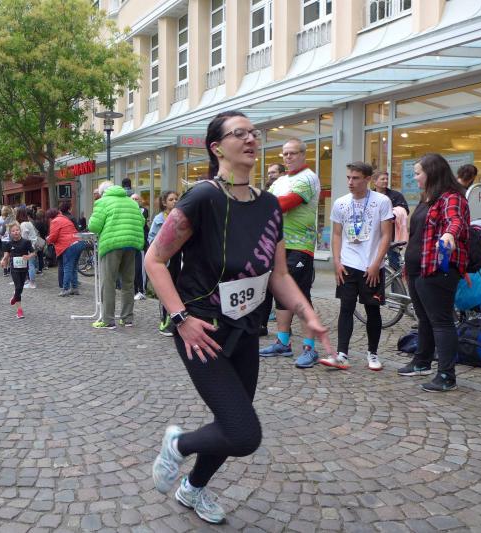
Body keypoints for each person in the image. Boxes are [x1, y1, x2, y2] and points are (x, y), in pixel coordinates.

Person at [145, 111, 331, 525]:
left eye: (253, 133)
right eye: (239, 133)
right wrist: (180, 318)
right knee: (244, 434)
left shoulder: (269, 206)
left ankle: (192, 488)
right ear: (217, 147)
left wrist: (307, 314)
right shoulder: (202, 199)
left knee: (230, 423)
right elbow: (154, 260)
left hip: (245, 327)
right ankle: (178, 444)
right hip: (202, 330)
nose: (251, 139)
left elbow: (278, 275)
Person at [399, 153, 470, 392]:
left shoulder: (451, 198)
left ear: (432, 173)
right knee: (424, 318)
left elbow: (455, 221)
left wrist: (449, 234)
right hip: (417, 267)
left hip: (437, 268)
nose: (415, 177)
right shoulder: (427, 198)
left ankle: (447, 376)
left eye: (418, 173)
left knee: (441, 321)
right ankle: (422, 362)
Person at [319, 162, 393, 371]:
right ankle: (342, 354)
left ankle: (373, 353)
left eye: (356, 178)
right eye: (348, 177)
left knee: (373, 309)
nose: (350, 182)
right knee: (346, 308)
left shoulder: (382, 201)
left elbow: (386, 235)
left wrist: (376, 264)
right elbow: (336, 234)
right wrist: (337, 261)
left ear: (367, 179)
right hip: (348, 264)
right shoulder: (341, 203)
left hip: (371, 265)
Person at [260, 137, 322, 368]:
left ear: (303, 154)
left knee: (299, 295)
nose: (288, 157)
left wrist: (258, 204)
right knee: (281, 293)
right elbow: (267, 201)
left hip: (300, 246)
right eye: (285, 153)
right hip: (279, 245)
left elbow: (284, 203)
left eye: (292, 153)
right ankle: (282, 342)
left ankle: (309, 348)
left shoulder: (308, 177)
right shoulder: (281, 180)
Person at [88, 181, 146, 329]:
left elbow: (94, 226)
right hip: (131, 244)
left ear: (102, 193)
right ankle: (127, 318)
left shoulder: (103, 202)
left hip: (111, 244)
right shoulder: (131, 202)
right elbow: (142, 221)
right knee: (128, 283)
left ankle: (108, 320)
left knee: (109, 282)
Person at [148, 190, 180, 337]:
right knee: (166, 288)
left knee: (177, 288)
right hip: (165, 259)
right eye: (171, 199)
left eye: (176, 199)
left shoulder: (180, 216)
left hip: (178, 258)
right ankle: (165, 321)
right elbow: (151, 238)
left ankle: (177, 319)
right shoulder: (159, 219)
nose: (174, 201)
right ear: (164, 203)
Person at [372, 170, 409, 269]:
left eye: (386, 179)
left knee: (393, 258)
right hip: (373, 232)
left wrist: (394, 216)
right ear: (374, 181)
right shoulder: (369, 196)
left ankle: (395, 278)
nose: (385, 181)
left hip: (391, 233)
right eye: (382, 179)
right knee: (373, 258)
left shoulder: (396, 195)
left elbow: (405, 209)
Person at [46, 208, 86, 296]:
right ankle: (74, 288)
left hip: (69, 245)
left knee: (67, 267)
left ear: (50, 217)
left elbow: (53, 236)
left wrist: (48, 239)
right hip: (78, 242)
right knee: (74, 267)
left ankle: (65, 289)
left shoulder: (55, 221)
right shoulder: (65, 218)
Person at [0, 223, 36, 319]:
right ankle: (19, 311)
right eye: (13, 231)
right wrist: (3, 260)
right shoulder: (9, 244)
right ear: (10, 233)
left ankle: (14, 297)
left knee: (20, 289)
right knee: (18, 286)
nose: (15, 232)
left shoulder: (26, 242)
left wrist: (28, 256)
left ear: (20, 231)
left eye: (17, 230)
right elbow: (6, 255)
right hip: (14, 268)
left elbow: (33, 253)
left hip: (24, 268)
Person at [130, 193, 150, 300]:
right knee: (132, 268)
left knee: (140, 268)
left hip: (140, 243)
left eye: (136, 199)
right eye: (132, 199)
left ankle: (142, 290)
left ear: (140, 201)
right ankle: (134, 290)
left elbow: (141, 221)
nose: (134, 201)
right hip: (131, 243)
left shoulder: (142, 210)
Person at [16, 207, 39, 289]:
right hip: (32, 245)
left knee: (30, 265)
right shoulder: (28, 222)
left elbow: (24, 237)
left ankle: (32, 283)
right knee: (29, 264)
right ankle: (29, 281)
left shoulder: (23, 224)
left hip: (29, 246)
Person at [0, 206, 15, 277]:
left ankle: (5, 271)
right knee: (10, 255)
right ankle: (9, 269)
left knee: (6, 255)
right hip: (12, 240)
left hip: (5, 240)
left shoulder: (5, 222)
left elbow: (1, 233)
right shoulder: (14, 219)